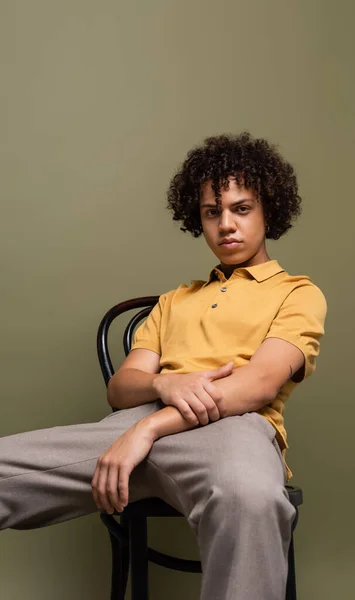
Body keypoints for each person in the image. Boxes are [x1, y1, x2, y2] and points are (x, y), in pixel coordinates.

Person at [0, 132, 327, 600]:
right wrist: (165, 383)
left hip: (234, 430)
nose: (226, 225)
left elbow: (256, 386)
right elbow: (123, 387)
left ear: (268, 210)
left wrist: (148, 430)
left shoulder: (297, 293)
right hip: (133, 424)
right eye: (212, 213)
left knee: (249, 499)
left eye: (241, 208)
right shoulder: (176, 300)